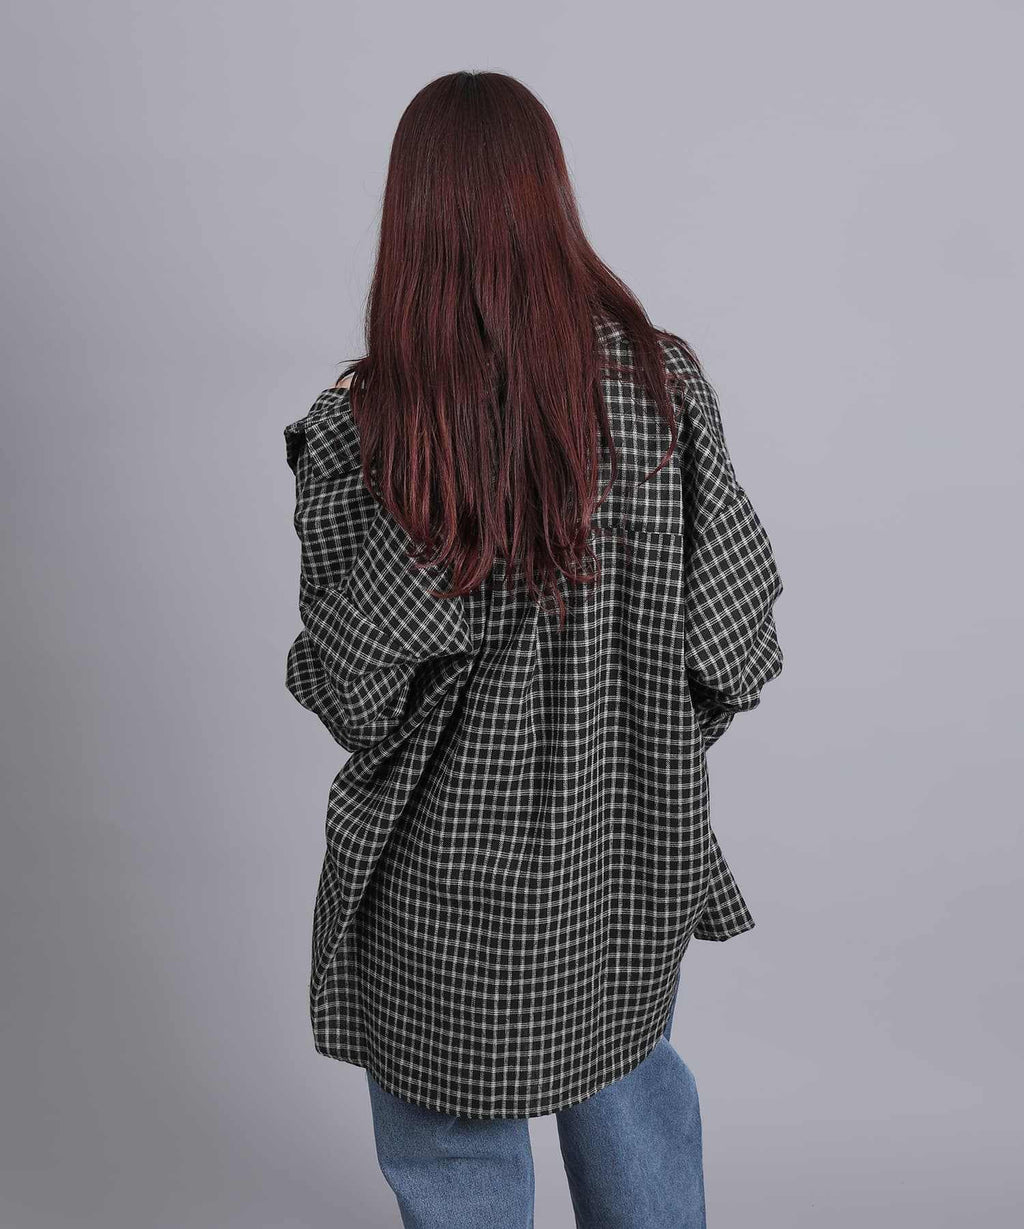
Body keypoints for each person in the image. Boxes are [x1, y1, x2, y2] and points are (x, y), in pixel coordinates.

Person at [283, 70, 784, 1229]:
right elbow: (735, 644)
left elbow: (356, 698)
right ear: (547, 197)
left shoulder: (365, 421)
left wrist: (431, 500)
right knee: (630, 1105)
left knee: (452, 1158)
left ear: (411, 216)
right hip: (623, 857)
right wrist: (635, 748)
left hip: (436, 883)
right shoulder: (660, 385)